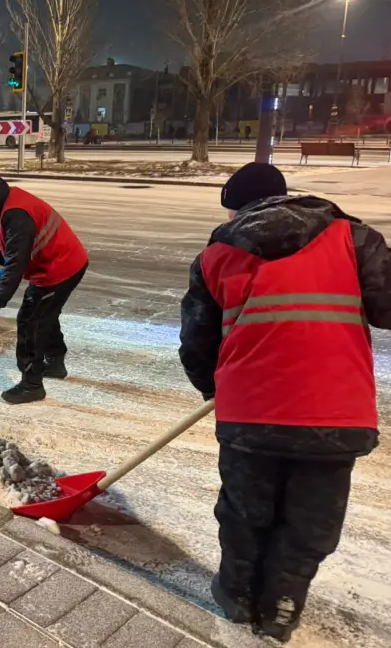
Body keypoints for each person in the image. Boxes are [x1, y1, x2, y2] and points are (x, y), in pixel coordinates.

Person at [178, 162, 390, 642]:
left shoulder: (217, 254)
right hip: (336, 413)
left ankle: (236, 595)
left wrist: (213, 387)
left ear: (239, 208)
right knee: (311, 518)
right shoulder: (354, 240)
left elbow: (196, 340)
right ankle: (283, 604)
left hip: (249, 413)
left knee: (244, 512)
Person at [0, 169, 88, 404]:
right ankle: (55, 362)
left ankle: (31, 384)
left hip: (57, 268)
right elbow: (18, 249)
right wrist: (6, 254)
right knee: (46, 313)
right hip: (69, 261)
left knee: (30, 321)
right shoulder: (12, 199)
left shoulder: (16, 215)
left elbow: (16, 265)